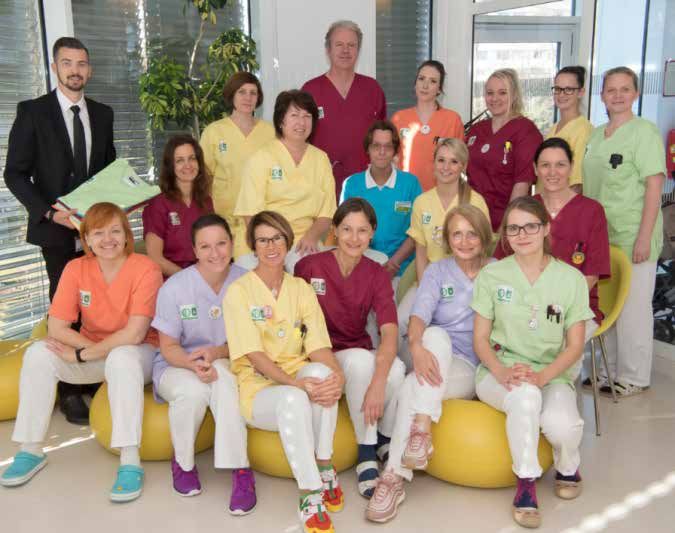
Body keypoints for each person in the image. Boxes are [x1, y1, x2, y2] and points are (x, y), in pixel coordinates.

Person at [0, 203, 163, 503]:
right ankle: (30, 450)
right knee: (38, 354)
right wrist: (89, 351)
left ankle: (130, 461)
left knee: (122, 357)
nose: (107, 239)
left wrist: (82, 355)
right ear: (86, 238)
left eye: (115, 231)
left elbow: (135, 334)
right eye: (98, 233)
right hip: (94, 352)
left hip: (139, 355)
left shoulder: (145, 268)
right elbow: (57, 327)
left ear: (127, 235)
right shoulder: (76, 269)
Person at [3, 37, 116, 425]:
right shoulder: (33, 112)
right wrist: (50, 214)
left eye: (81, 63)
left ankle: (95, 378)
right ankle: (69, 390)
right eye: (67, 63)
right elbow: (14, 174)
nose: (75, 70)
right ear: (54, 67)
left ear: (90, 69)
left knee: (99, 307)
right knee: (64, 309)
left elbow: (109, 173)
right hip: (55, 232)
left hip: (97, 235)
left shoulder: (103, 114)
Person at [472, 197, 594, 529]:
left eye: (530, 226)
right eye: (513, 228)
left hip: (552, 372)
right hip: (498, 370)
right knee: (525, 397)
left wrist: (542, 377)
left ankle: (568, 466)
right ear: (505, 235)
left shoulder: (570, 279)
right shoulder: (492, 275)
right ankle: (526, 485)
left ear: (546, 228)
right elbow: (480, 339)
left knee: (563, 427)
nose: (522, 234)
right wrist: (502, 371)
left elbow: (574, 346)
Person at [365, 205, 492, 523]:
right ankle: (415, 440)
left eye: (471, 234)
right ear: (447, 239)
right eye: (456, 234)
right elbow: (419, 314)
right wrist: (416, 346)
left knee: (412, 385)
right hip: (433, 355)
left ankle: (393, 477)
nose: (464, 241)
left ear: (483, 236)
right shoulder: (437, 271)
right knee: (435, 334)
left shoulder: (498, 272)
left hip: (468, 365)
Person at [224, 211, 345, 533]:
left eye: (277, 238)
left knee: (323, 374)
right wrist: (295, 384)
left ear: (288, 241)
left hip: (298, 376)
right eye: (263, 240)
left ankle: (324, 465)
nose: (271, 246)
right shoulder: (239, 292)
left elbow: (318, 345)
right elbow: (254, 355)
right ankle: (310, 493)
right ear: (253, 246)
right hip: (259, 388)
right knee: (294, 397)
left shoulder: (300, 288)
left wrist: (337, 376)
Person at [295, 199, 406, 499]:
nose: (354, 238)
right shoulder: (309, 267)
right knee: (360, 361)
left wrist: (378, 384)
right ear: (333, 230)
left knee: (397, 369)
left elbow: (389, 331)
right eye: (346, 229)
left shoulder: (376, 273)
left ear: (372, 234)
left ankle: (383, 437)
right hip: (319, 355)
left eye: (362, 230)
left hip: (355, 351)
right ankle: (366, 453)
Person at [151, 214, 254, 513]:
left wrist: (216, 353)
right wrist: (192, 363)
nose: (215, 253)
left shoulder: (247, 283)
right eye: (205, 246)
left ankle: (241, 471)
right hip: (177, 364)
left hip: (230, 360)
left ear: (232, 244)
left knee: (222, 376)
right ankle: (183, 463)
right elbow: (168, 346)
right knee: (193, 391)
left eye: (221, 243)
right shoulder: (175, 288)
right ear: (194, 250)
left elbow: (254, 341)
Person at [582, 66, 666, 396]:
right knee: (607, 305)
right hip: (603, 236)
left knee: (633, 309)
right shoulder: (595, 136)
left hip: (633, 234)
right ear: (602, 95)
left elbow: (654, 186)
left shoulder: (644, 132)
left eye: (625, 89)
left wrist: (644, 237)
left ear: (636, 94)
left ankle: (634, 376)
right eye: (611, 89)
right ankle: (606, 369)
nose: (617, 95)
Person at [235, 90, 336, 272]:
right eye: (294, 115)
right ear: (281, 120)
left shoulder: (321, 159)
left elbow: (327, 214)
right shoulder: (261, 157)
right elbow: (250, 214)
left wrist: (312, 236)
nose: (301, 122)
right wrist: (270, 246)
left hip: (304, 242)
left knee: (314, 273)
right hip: (262, 240)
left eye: (307, 116)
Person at [398, 138, 490, 335]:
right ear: (434, 163)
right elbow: (421, 252)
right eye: (441, 160)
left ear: (463, 166)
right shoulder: (422, 202)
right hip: (431, 279)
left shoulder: (476, 202)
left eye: (454, 161)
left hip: (465, 282)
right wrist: (425, 289)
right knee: (401, 321)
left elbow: (483, 252)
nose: (446, 167)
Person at [527, 138, 610, 350]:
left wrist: (554, 307)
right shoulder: (525, 209)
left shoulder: (592, 211)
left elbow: (591, 276)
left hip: (576, 307)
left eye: (560, 165)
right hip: (528, 304)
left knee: (551, 351)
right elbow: (504, 262)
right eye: (545, 165)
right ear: (535, 169)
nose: (552, 172)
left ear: (572, 167)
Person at [302, 20, 386, 198]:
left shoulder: (372, 89)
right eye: (339, 44)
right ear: (328, 49)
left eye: (351, 45)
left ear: (358, 50)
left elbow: (383, 138)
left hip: (365, 184)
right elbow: (298, 140)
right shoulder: (311, 90)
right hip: (321, 184)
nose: (345, 50)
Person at [200, 72, 275, 259]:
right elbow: (204, 177)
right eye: (242, 92)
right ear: (231, 95)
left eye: (253, 93)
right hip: (224, 222)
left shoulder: (270, 132)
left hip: (261, 221)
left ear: (259, 98)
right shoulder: (213, 132)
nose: (248, 98)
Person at [340, 120, 422, 282]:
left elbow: (418, 232)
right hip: (360, 268)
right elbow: (344, 231)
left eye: (388, 146)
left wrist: (394, 263)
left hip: (401, 270)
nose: (382, 152)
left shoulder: (411, 183)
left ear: (395, 150)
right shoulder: (352, 184)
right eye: (376, 146)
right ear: (368, 149)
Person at [466, 68, 543, 232]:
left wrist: (507, 227)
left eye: (502, 93)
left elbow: (522, 184)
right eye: (490, 93)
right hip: (473, 220)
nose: (495, 98)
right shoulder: (476, 130)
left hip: (506, 221)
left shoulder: (526, 130)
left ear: (514, 95)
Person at [143, 135, 214, 278]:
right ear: (171, 166)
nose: (188, 165)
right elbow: (155, 257)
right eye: (180, 160)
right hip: (172, 280)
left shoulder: (206, 201)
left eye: (192, 158)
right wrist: (188, 279)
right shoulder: (158, 204)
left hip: (205, 276)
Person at [391, 60, 464, 192]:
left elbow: (461, 164)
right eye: (421, 79)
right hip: (405, 193)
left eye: (433, 81)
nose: (425, 85)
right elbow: (390, 159)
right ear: (415, 84)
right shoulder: (399, 118)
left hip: (440, 194)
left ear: (439, 89)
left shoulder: (452, 120)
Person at [536, 66, 592, 194]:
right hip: (544, 201)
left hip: (560, 204)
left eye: (568, 89)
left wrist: (557, 206)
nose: (561, 94)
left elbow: (577, 185)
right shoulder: (555, 128)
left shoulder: (583, 130)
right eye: (558, 89)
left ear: (581, 92)